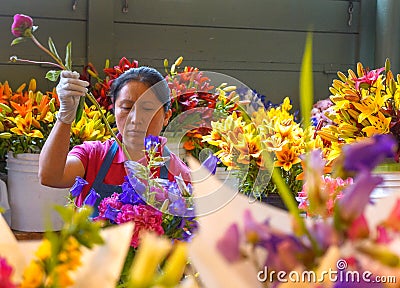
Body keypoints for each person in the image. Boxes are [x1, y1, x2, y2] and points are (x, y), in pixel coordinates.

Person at [39, 67, 191, 211]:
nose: (135, 119)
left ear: (167, 116)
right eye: (126, 107)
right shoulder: (94, 155)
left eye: (148, 109)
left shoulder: (180, 175)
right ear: (114, 109)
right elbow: (50, 177)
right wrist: (65, 116)